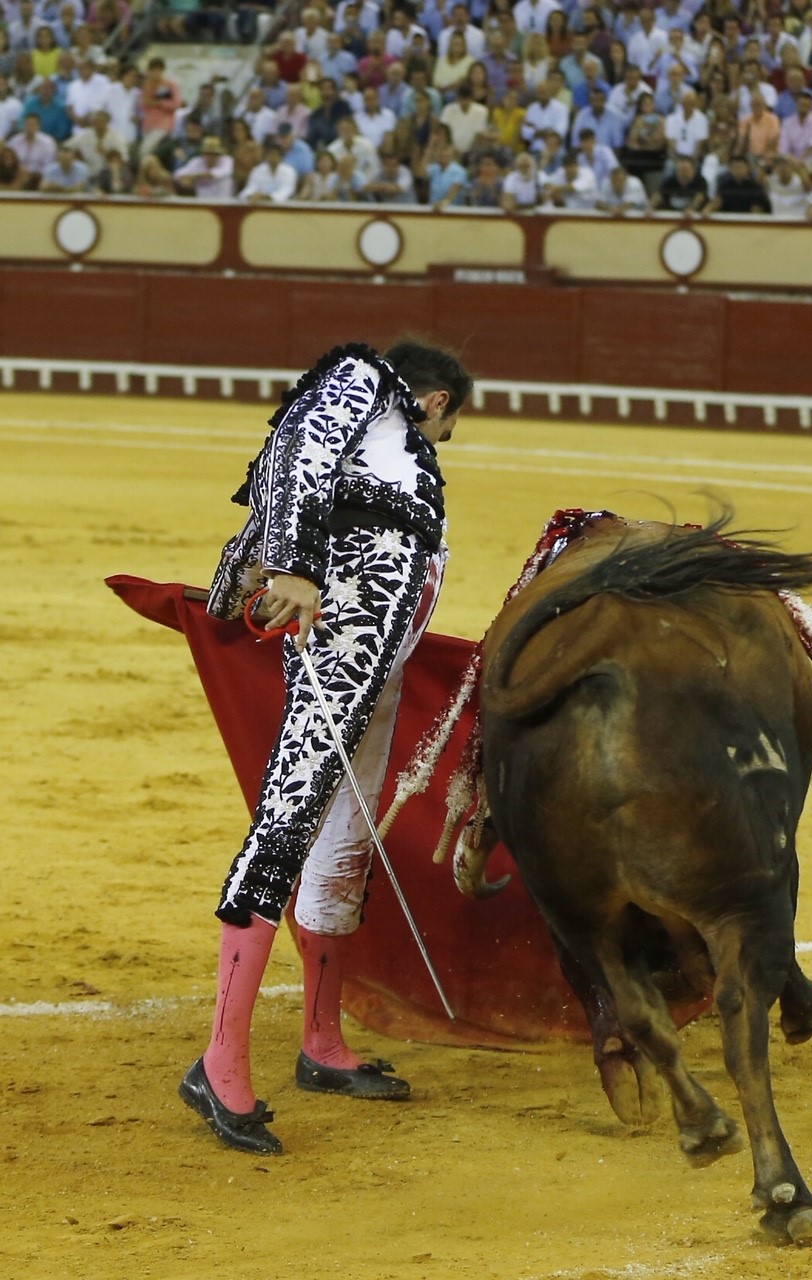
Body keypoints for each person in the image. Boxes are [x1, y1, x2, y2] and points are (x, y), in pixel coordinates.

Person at [179, 341, 472, 1156]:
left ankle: (321, 1042)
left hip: (374, 674)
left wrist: (239, 582)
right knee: (285, 830)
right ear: (437, 402)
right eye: (449, 426)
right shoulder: (364, 379)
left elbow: (285, 501)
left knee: (341, 849)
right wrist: (294, 570)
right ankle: (218, 1064)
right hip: (335, 648)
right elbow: (295, 451)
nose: (443, 440)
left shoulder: (395, 454)